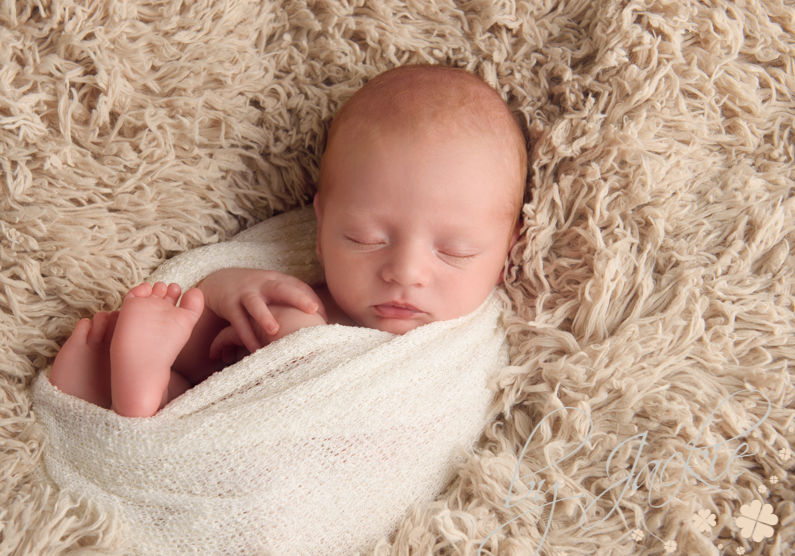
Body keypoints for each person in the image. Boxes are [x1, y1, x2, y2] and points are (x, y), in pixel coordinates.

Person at [49, 64, 527, 417]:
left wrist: (301, 344)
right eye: (364, 238)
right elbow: (213, 352)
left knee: (288, 330)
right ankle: (130, 385)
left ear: (507, 251)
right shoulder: (305, 294)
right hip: (215, 413)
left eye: (454, 251)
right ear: (319, 230)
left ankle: (136, 400)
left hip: (295, 462)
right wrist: (223, 289)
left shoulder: (468, 354)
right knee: (230, 333)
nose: (404, 271)